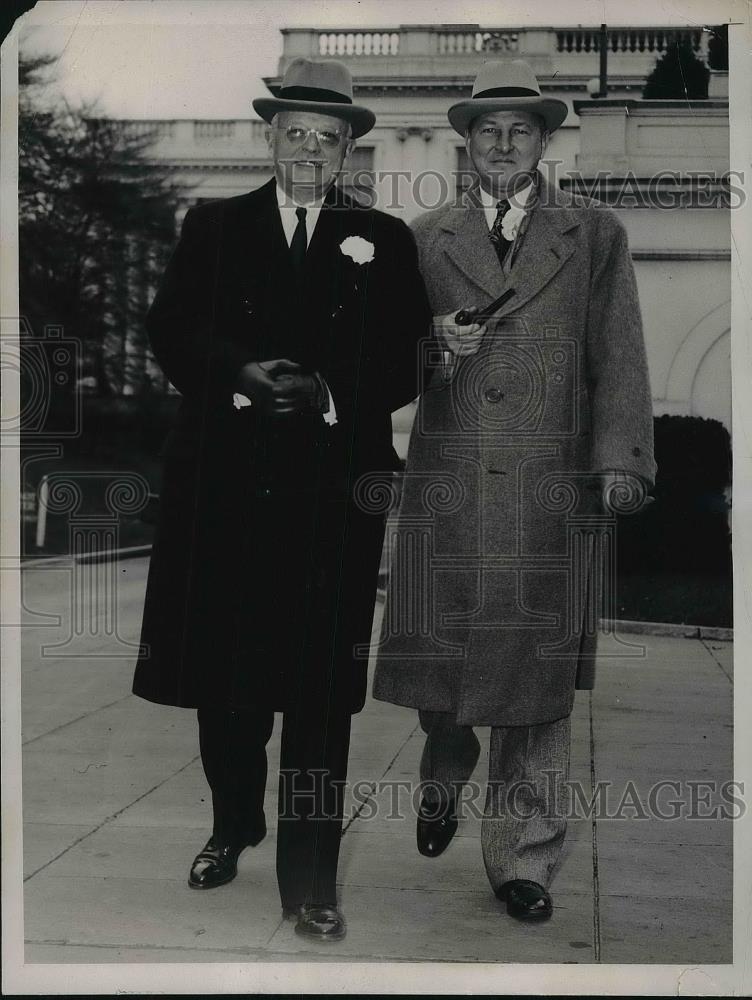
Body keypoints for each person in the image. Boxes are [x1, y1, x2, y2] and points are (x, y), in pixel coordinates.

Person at [132, 57, 431, 942]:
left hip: (328, 503)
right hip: (223, 493)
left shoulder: (383, 238)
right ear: (270, 138)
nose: (309, 151)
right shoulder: (214, 224)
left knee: (316, 695)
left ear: (348, 151)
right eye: (294, 134)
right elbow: (172, 327)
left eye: (326, 139)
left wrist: (331, 390)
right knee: (227, 692)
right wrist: (240, 375)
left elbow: (406, 353)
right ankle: (235, 823)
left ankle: (311, 882)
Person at [372, 60, 656, 922]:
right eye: (487, 130)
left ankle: (524, 861)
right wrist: (430, 346)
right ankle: (441, 773)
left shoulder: (593, 233)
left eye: (520, 129)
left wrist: (622, 460)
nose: (503, 143)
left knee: (535, 693)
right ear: (465, 143)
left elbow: (621, 353)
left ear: (543, 140)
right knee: (445, 686)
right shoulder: (420, 236)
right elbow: (385, 363)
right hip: (451, 488)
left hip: (548, 490)